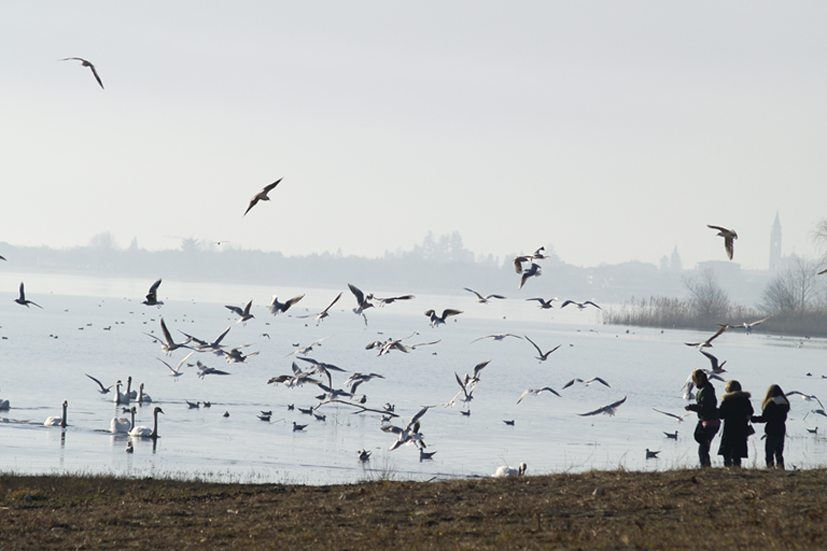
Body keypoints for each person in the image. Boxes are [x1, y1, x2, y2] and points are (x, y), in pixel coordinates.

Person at [685, 369, 719, 467]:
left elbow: (705, 408)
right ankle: (706, 468)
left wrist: (692, 407)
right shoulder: (707, 388)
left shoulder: (705, 391)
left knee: (703, 449)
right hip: (709, 421)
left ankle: (705, 468)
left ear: (698, 378)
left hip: (709, 422)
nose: (693, 382)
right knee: (704, 448)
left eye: (694, 379)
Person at [751, 384, 790, 469]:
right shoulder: (785, 403)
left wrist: (752, 419)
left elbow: (765, 418)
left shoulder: (771, 403)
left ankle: (770, 468)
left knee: (769, 453)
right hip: (781, 429)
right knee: (779, 453)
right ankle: (781, 468)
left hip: (772, 430)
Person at [717, 380, 754, 467]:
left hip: (729, 428)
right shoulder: (745, 400)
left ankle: (727, 469)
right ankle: (737, 468)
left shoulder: (727, 401)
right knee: (737, 453)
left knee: (727, 452)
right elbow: (750, 412)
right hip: (741, 429)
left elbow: (721, 415)